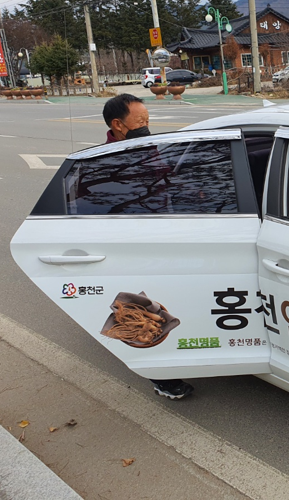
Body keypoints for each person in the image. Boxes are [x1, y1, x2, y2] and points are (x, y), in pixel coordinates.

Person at [102, 93, 195, 401]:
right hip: (134, 245)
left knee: (168, 300)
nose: (146, 126)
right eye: (140, 121)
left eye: (147, 121)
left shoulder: (148, 149)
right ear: (118, 125)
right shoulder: (105, 162)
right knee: (142, 311)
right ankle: (160, 376)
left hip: (165, 236)